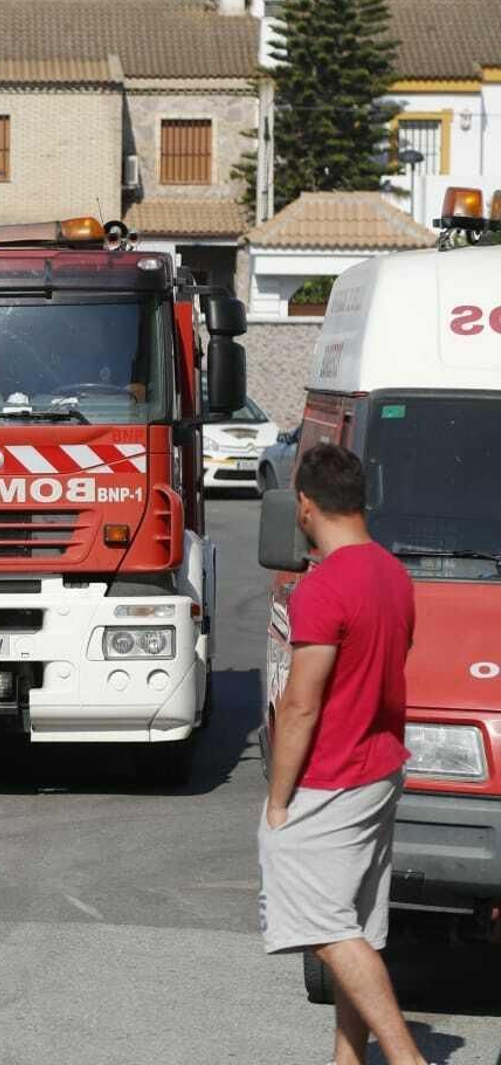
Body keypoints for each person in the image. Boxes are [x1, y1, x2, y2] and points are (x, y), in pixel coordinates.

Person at [259, 444, 423, 1065]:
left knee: (324, 931)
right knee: (353, 925)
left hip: (331, 779)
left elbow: (301, 705)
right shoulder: (393, 574)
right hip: (380, 769)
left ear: (304, 505)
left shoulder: (323, 588)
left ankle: (406, 1059)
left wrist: (278, 802)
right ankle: (347, 1059)